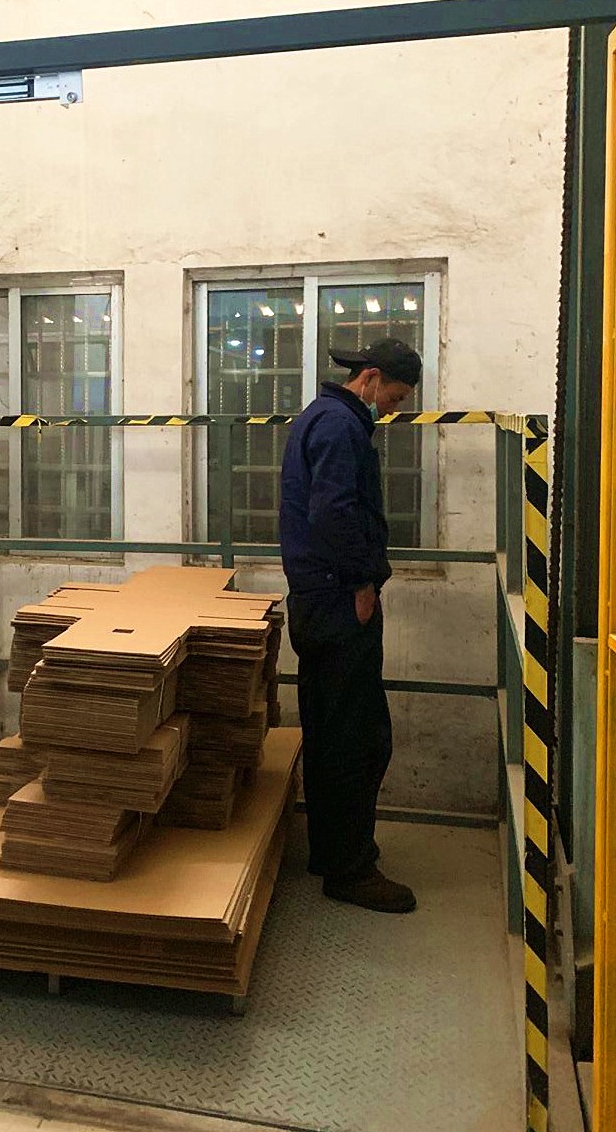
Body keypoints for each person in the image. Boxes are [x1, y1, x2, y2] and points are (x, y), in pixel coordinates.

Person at [279, 338, 422, 913]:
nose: (392, 408)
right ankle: (350, 870)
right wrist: (363, 582)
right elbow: (333, 512)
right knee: (359, 738)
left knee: (330, 728)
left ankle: (332, 852)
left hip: (317, 598)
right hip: (340, 601)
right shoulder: (340, 427)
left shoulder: (322, 417)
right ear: (371, 378)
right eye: (395, 396)